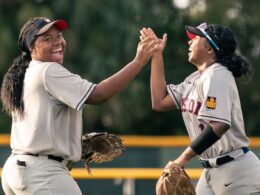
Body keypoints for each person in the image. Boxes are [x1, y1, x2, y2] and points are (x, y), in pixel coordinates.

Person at [0, 16, 159, 195]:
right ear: (31, 47)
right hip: (43, 173)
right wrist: (139, 62)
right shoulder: (47, 70)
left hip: (17, 170)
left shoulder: (24, 74)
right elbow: (99, 95)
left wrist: (72, 142)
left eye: (59, 36)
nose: (57, 42)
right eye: (47, 39)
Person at [140, 23, 260, 194]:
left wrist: (182, 159)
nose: (190, 42)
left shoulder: (218, 74)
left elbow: (219, 125)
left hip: (237, 172)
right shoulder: (194, 80)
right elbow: (159, 101)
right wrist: (157, 55)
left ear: (210, 49)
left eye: (196, 38)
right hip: (210, 171)